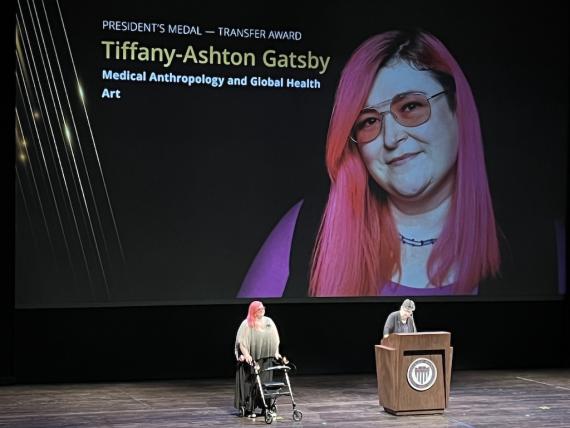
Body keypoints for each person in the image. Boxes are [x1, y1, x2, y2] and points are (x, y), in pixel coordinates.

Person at [238, 29, 500, 298]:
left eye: (410, 107)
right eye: (369, 121)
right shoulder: (310, 227)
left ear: (457, 109)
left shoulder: (531, 241)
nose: (391, 138)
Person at [234, 301, 281, 418]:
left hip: (266, 358)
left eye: (263, 308)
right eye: (259, 309)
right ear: (254, 311)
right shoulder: (246, 323)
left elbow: (275, 339)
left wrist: (276, 352)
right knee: (252, 383)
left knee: (265, 384)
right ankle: (249, 408)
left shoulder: (269, 321)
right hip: (252, 360)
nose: (262, 310)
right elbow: (241, 342)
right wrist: (246, 355)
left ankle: (266, 407)